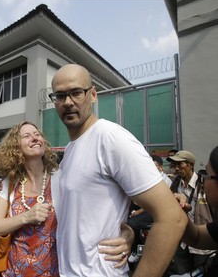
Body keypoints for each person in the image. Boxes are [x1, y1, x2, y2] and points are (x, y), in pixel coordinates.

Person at [49, 64, 187, 276]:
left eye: (76, 92)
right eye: (60, 96)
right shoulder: (70, 150)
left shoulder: (110, 138)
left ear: (93, 95)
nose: (68, 102)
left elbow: (172, 218)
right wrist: (128, 229)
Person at [0, 121, 134, 276]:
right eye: (27, 136)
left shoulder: (61, 178)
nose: (35, 138)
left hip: (56, 271)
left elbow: (98, 209)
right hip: (14, 271)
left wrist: (127, 234)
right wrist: (25, 217)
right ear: (15, 147)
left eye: (37, 135)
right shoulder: (11, 184)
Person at [172, 146, 218, 276]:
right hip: (182, 241)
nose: (176, 168)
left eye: (207, 175)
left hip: (204, 248)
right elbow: (195, 236)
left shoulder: (200, 184)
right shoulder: (175, 183)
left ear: (190, 165)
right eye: (174, 164)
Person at [127, 154, 173, 264]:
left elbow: (158, 202)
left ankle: (137, 251)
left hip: (157, 211)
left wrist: (138, 211)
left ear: (161, 167)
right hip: (146, 208)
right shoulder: (149, 178)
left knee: (132, 223)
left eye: (154, 165)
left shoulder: (164, 181)